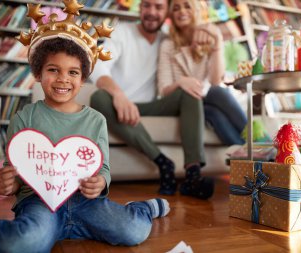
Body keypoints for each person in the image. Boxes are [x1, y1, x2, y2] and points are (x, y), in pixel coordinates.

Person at [0, 2, 170, 252]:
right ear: (39, 73)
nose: (63, 78)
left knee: (134, 230)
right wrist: (7, 183)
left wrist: (100, 183)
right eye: (53, 70)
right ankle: (57, 229)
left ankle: (143, 208)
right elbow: (15, 171)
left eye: (73, 72)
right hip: (39, 201)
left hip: (84, 202)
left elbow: (103, 167)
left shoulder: (96, 120)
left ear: (83, 78)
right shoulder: (24, 117)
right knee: (23, 242)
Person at [90, 0, 214, 200]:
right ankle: (163, 162)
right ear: (140, 7)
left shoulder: (169, 40)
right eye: (147, 5)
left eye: (158, 7)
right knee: (98, 97)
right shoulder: (122, 32)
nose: (151, 12)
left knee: (188, 90)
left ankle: (193, 175)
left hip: (154, 106)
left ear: (167, 12)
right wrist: (119, 95)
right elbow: (98, 67)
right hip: (119, 104)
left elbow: (196, 66)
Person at [157, 0, 247, 146]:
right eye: (176, 8)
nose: (182, 11)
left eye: (187, 6)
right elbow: (164, 90)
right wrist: (181, 82)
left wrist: (217, 43)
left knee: (213, 111)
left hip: (207, 100)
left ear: (196, 10)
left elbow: (216, 81)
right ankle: (260, 144)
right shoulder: (167, 45)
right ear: (171, 14)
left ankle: (251, 153)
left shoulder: (209, 36)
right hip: (182, 103)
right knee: (217, 95)